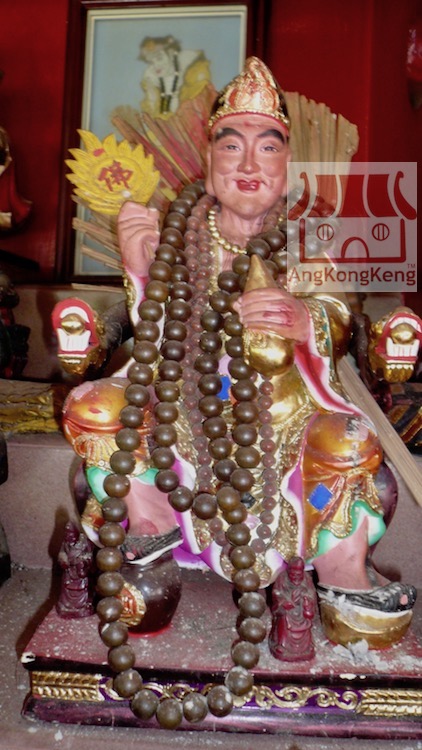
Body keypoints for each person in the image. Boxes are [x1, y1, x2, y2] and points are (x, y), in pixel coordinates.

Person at [61, 58, 419, 647]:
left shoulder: (309, 238)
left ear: (287, 166)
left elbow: (337, 314)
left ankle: (340, 568)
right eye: (232, 147)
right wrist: (139, 269)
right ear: (208, 162)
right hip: (181, 408)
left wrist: (302, 318)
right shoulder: (175, 234)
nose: (249, 165)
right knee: (91, 407)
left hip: (288, 413)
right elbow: (150, 332)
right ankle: (150, 527)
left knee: (350, 443)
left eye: (268, 148)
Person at [138, 35, 211, 118]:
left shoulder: (190, 66)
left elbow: (201, 99)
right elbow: (152, 110)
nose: (156, 66)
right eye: (151, 62)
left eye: (159, 58)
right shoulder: (152, 79)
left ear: (171, 53)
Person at [269, 556, 316, 661]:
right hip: (287, 609)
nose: (295, 577)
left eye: (299, 575)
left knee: (306, 618)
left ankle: (307, 646)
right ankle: (282, 645)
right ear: (288, 571)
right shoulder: (282, 578)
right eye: (293, 574)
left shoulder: (307, 578)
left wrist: (306, 600)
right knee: (284, 616)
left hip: (302, 608)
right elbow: (276, 593)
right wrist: (284, 602)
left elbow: (311, 593)